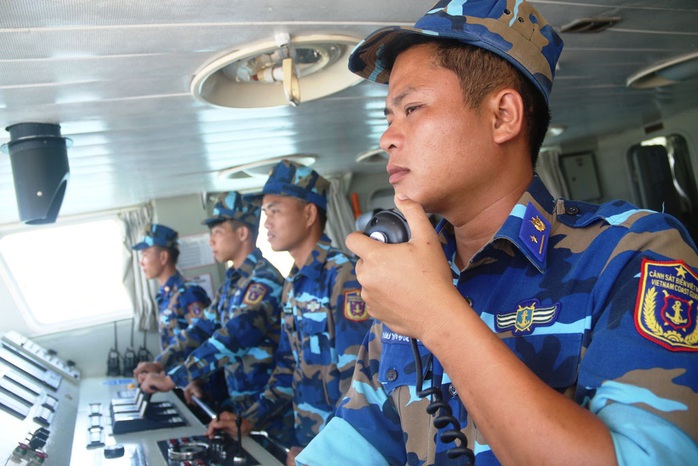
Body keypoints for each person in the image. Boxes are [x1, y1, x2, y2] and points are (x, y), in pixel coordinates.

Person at [298, 1, 698, 465]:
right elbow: (356, 443)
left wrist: (437, 316)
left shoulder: (634, 252)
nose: (387, 137)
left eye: (411, 107)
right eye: (389, 117)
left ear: (503, 116)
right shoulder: (410, 272)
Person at [206, 160, 373, 466]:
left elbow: (360, 381)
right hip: (305, 441)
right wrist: (250, 419)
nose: (265, 223)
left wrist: (325, 454)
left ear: (309, 214)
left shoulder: (343, 275)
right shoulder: (292, 282)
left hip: (339, 452)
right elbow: (287, 368)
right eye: (265, 213)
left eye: (275, 210)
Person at [135, 192, 292, 442]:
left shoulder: (263, 280)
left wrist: (172, 378)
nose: (210, 241)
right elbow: (200, 329)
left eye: (217, 232)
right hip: (242, 407)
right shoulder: (231, 284)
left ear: (242, 234)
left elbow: (233, 338)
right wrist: (161, 363)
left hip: (271, 411)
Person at [132, 223, 211, 352]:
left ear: (163, 257)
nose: (141, 262)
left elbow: (204, 342)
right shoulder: (165, 295)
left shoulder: (188, 293)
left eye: (145, 255)